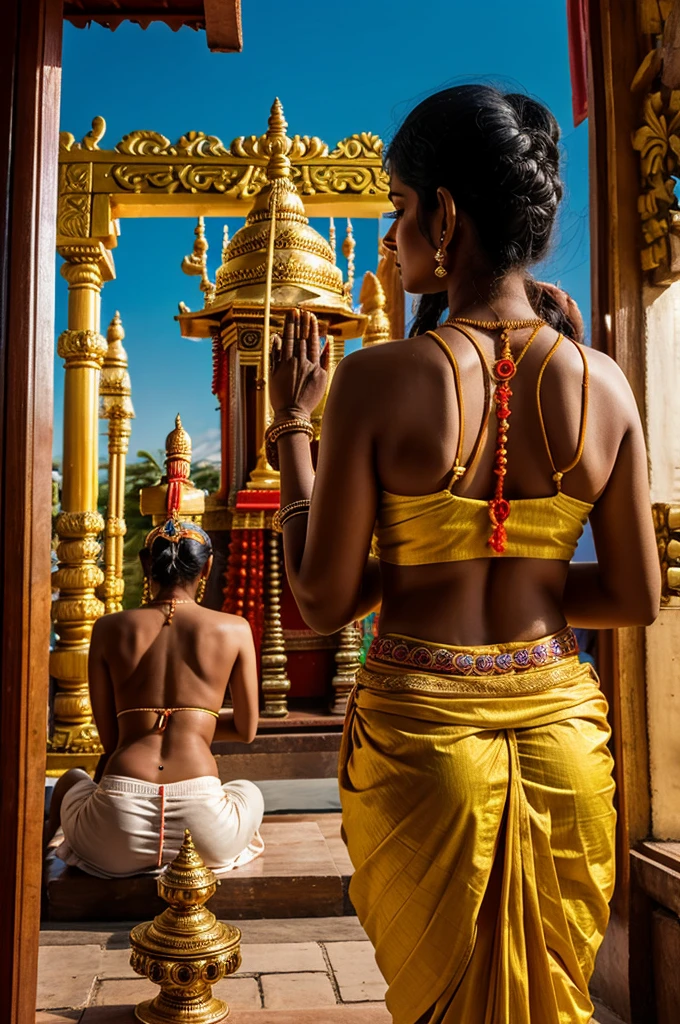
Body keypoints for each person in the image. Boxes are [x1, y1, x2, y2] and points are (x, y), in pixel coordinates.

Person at [266, 85, 660, 1024]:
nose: (396, 234)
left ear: (445, 214)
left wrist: (291, 432)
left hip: (424, 741)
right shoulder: (605, 383)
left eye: (401, 207)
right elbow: (637, 595)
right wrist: (520, 577)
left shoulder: (376, 380)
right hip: (565, 740)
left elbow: (320, 603)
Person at [46, 516, 264, 878]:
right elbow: (246, 729)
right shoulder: (234, 629)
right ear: (207, 565)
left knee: (71, 780)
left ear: (146, 564)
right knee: (247, 791)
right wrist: (194, 725)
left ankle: (39, 865)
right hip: (204, 833)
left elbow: (111, 740)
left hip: (116, 829)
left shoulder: (108, 628)